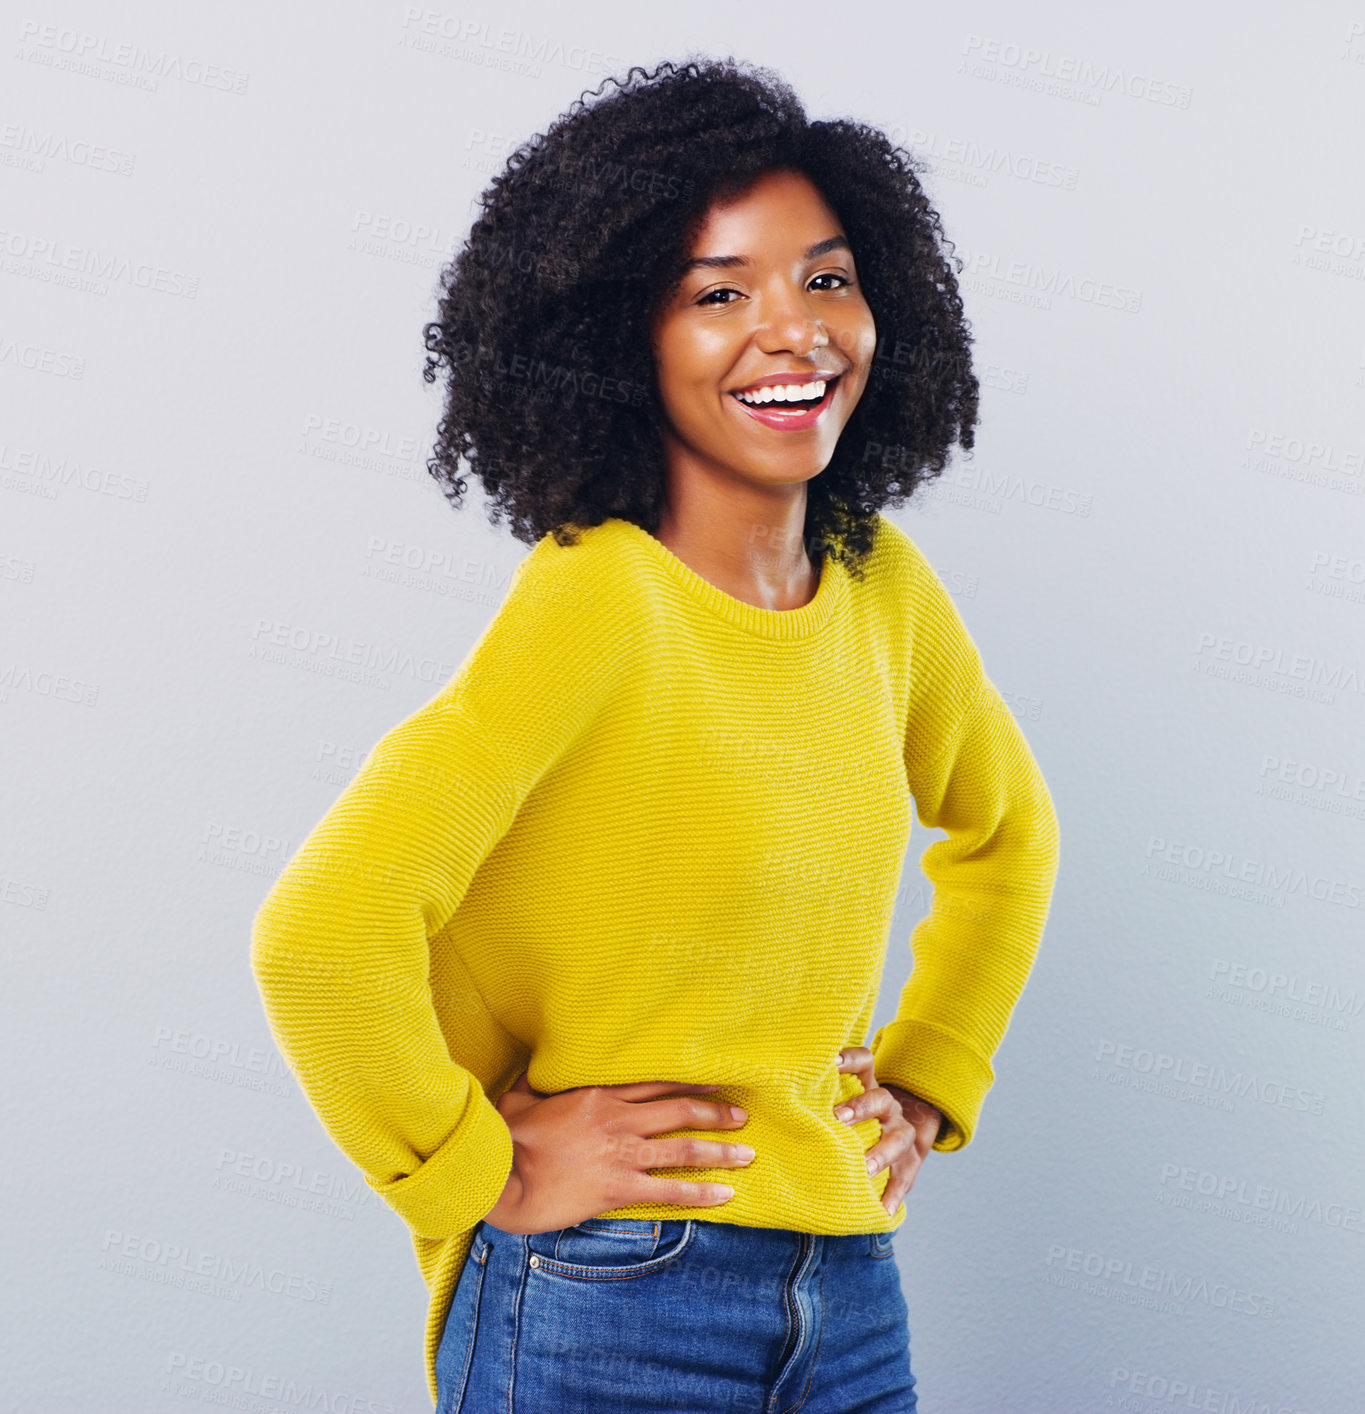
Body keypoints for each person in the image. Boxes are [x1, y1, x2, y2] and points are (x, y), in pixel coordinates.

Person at [250, 56, 1060, 1413]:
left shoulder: (883, 588)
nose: (791, 329)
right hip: (610, 1284)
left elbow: (1006, 829)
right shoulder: (597, 595)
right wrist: (476, 1169)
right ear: (623, 338)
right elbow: (321, 930)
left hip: (848, 1280)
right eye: (718, 293)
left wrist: (924, 1082)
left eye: (826, 277)